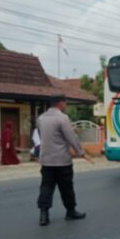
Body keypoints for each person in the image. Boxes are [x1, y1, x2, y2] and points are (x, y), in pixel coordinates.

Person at [36, 95, 88, 226]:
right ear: (60, 104)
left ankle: (43, 215)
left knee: (46, 187)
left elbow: (42, 135)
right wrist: (81, 152)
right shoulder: (62, 118)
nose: (66, 106)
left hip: (46, 160)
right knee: (66, 187)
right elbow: (72, 137)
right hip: (62, 160)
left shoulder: (41, 118)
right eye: (65, 103)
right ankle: (71, 211)